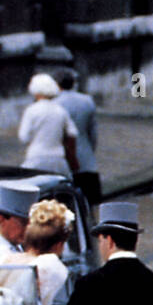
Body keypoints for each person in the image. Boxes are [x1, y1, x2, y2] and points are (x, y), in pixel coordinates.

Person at [18, 73, 79, 176]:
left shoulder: (31, 110)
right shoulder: (60, 110)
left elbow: (24, 137)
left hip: (36, 155)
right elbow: (73, 132)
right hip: (57, 157)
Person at [55, 71, 101, 205]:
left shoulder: (55, 103)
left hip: (64, 157)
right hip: (86, 157)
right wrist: (91, 150)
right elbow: (93, 132)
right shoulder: (87, 101)